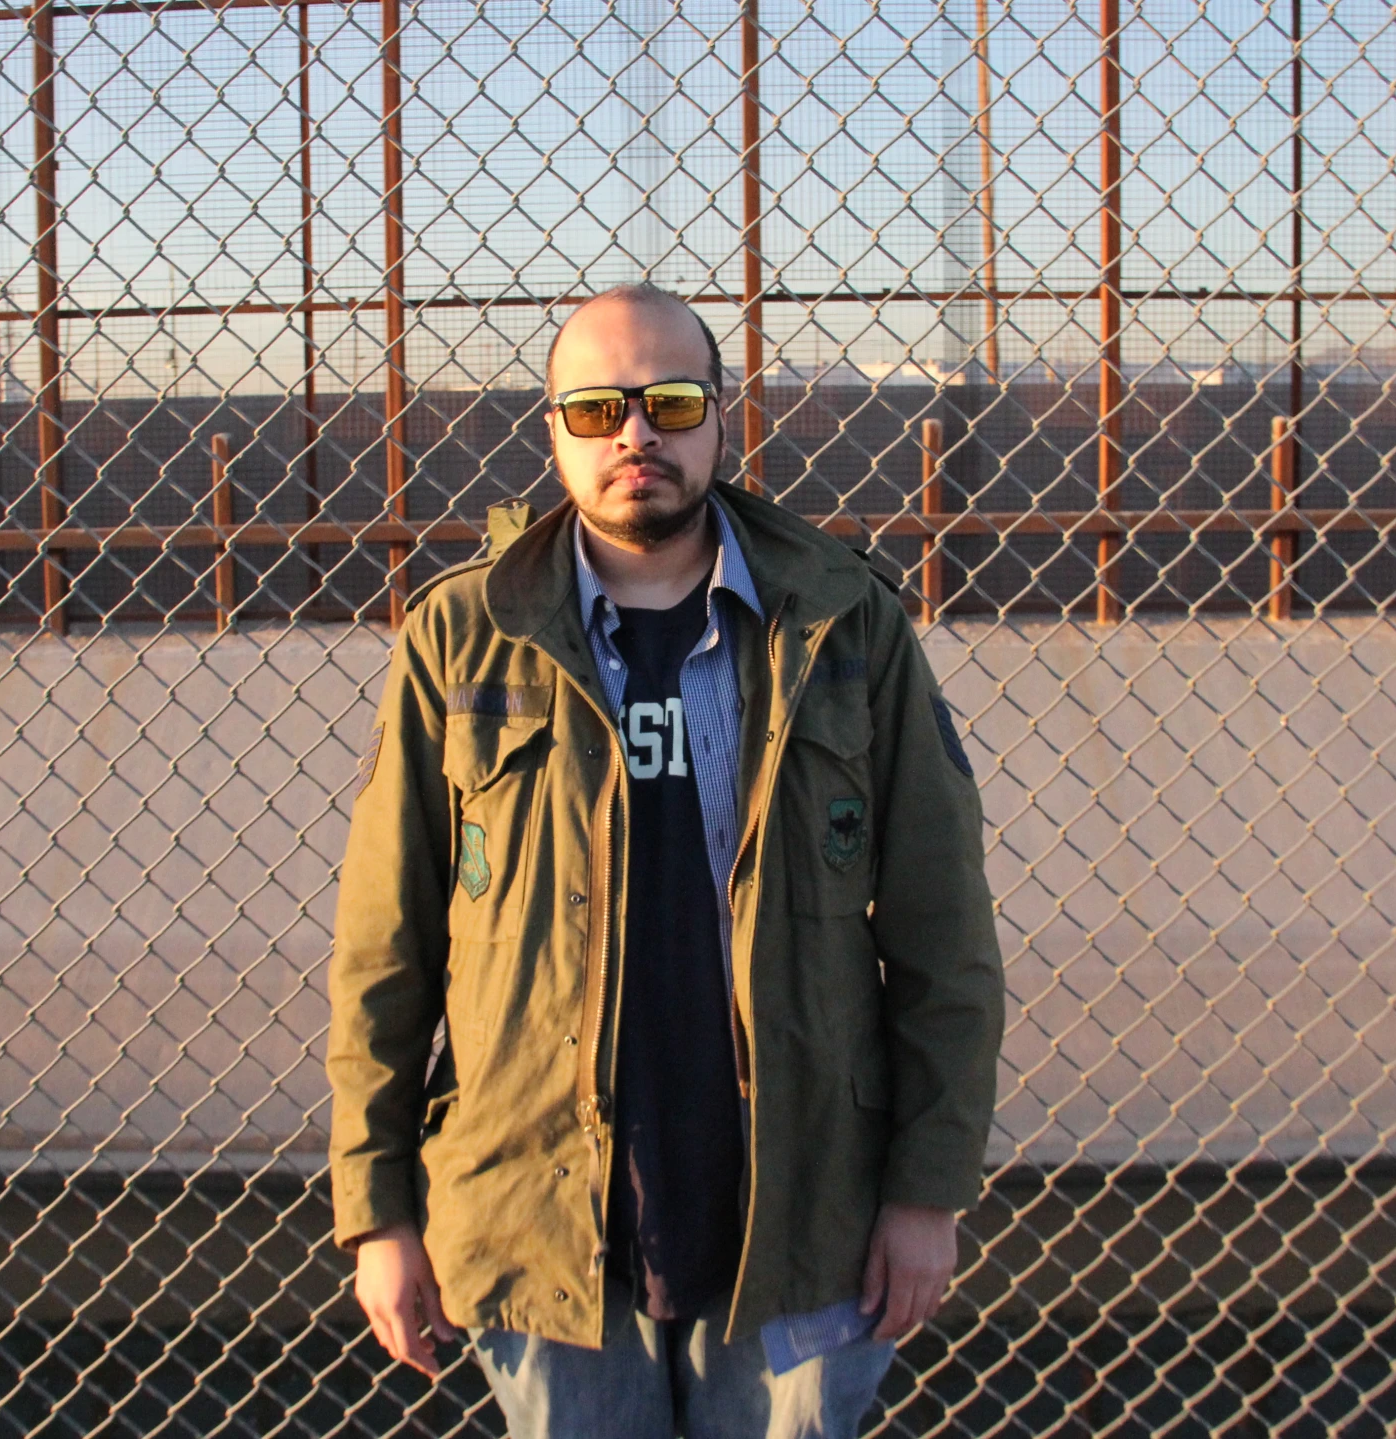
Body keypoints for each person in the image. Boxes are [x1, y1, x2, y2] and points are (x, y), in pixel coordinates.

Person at [327, 282, 1004, 1438]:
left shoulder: (843, 625)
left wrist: (924, 1190)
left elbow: (944, 936)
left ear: (719, 417)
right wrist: (376, 1212)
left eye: (669, 401)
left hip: (803, 1211)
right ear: (551, 430)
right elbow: (386, 946)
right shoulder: (460, 634)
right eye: (595, 410)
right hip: (542, 1210)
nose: (635, 434)